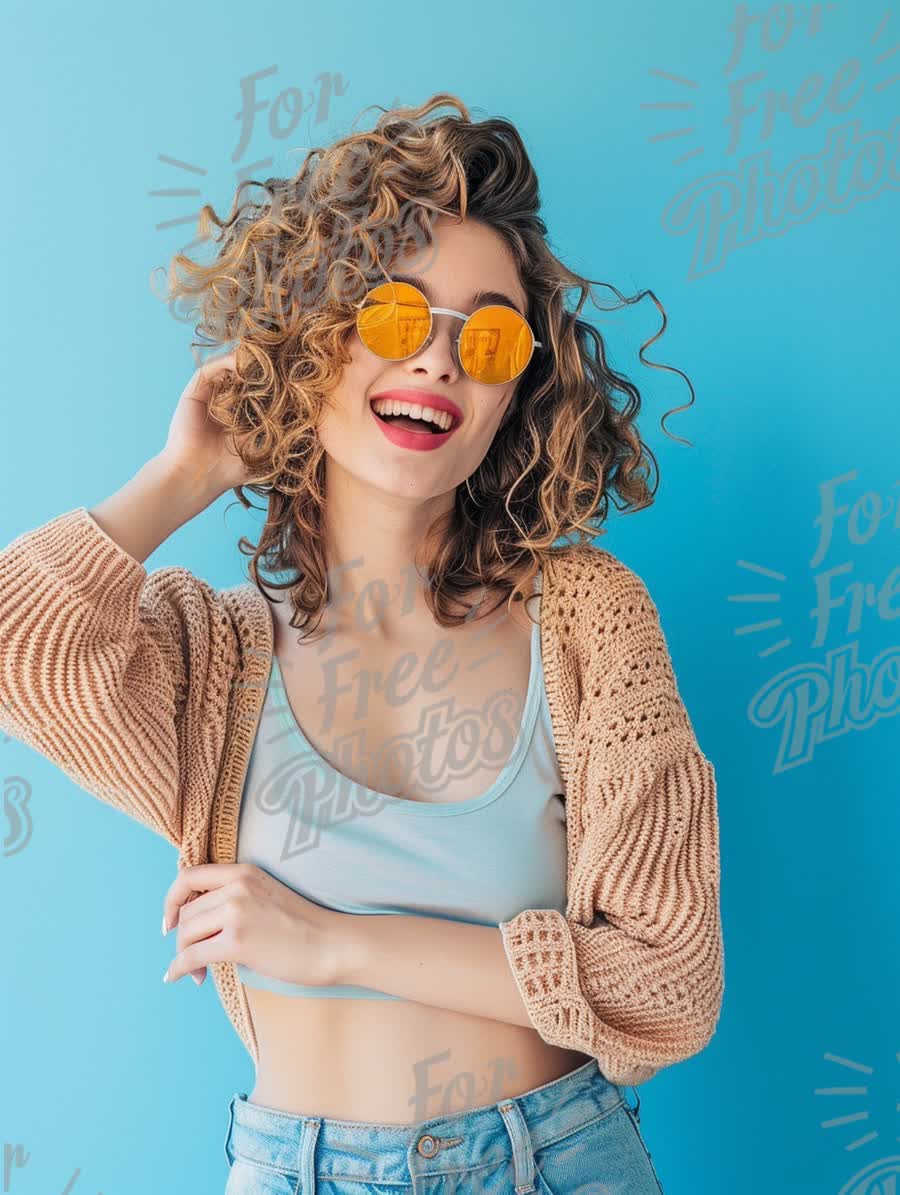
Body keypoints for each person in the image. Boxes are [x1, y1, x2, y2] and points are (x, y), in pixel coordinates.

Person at [0, 93, 723, 1194]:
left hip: (558, 1163)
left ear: (514, 391)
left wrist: (330, 943)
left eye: (486, 335)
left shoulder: (588, 617)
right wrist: (183, 477)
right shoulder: (212, 658)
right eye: (392, 316)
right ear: (310, 339)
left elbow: (668, 984)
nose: (438, 361)